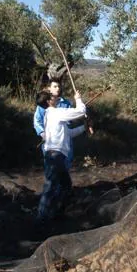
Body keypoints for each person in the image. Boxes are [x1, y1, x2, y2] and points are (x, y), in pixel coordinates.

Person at [35, 90, 86, 223]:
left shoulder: (50, 115)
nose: (55, 97)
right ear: (48, 101)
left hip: (55, 156)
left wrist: (84, 128)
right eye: (52, 96)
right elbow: (80, 111)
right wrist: (78, 98)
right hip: (55, 156)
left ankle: (56, 214)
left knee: (65, 186)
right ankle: (41, 219)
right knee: (51, 186)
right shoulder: (56, 113)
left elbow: (68, 133)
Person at [33, 80, 73, 168]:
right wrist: (43, 134)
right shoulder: (43, 104)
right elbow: (37, 121)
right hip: (49, 141)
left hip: (65, 141)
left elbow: (70, 122)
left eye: (59, 86)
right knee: (51, 167)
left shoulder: (66, 103)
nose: (58, 88)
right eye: (55, 86)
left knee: (66, 165)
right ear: (49, 88)